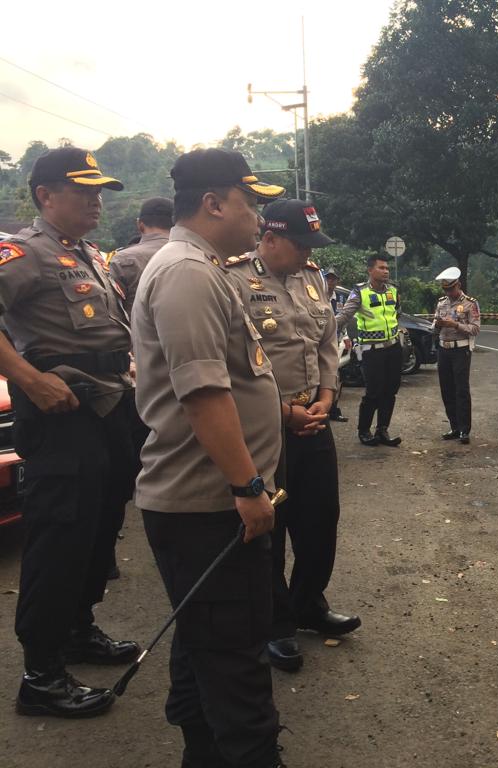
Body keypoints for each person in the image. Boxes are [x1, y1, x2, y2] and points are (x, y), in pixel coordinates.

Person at [132, 148, 288, 767]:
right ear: (213, 203)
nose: (258, 219)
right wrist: (248, 486)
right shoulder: (187, 273)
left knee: (204, 650)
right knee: (235, 662)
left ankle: (203, 754)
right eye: (251, 203)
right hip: (209, 506)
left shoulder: (206, 266)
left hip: (210, 501)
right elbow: (204, 394)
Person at [0, 146, 140, 719]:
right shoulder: (24, 253)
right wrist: (30, 381)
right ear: (44, 195)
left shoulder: (90, 254)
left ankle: (78, 628)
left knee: (99, 525)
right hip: (59, 411)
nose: (96, 201)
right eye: (83, 191)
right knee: (59, 534)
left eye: (99, 191)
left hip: (108, 407)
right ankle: (41, 674)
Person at [225, 199, 361, 673]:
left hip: (314, 415)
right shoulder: (234, 279)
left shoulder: (311, 276)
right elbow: (235, 364)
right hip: (266, 426)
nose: (308, 255)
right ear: (271, 239)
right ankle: (275, 625)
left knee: (321, 518)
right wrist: (284, 413)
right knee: (272, 527)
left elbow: (325, 342)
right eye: (301, 246)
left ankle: (309, 604)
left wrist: (326, 395)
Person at [336, 255, 403, 446]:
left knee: (390, 391)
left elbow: (396, 313)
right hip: (371, 351)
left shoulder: (393, 290)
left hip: (393, 348)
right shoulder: (360, 292)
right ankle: (364, 430)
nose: (386, 271)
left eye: (387, 268)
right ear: (370, 270)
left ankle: (382, 429)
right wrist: (327, 330)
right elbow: (345, 315)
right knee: (373, 392)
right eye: (381, 268)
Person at [432, 266, 480, 443]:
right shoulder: (441, 302)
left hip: (461, 349)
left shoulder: (470, 303)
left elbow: (475, 329)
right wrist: (438, 324)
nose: (449, 292)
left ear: (458, 285)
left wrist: (456, 325)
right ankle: (454, 426)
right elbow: (435, 325)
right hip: (443, 349)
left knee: (461, 390)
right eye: (445, 289)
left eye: (451, 288)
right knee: (447, 389)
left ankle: (464, 430)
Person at [109, 196, 173, 313]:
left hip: (135, 330)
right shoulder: (196, 253)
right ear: (175, 225)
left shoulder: (122, 259)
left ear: (140, 225)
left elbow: (112, 310)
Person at [324, 269, 350, 423]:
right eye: (328, 279)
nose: (330, 282)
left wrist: (346, 337)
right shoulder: (315, 294)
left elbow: (344, 320)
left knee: (336, 376)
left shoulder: (340, 298)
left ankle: (333, 409)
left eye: (333, 279)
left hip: (336, 341)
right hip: (320, 342)